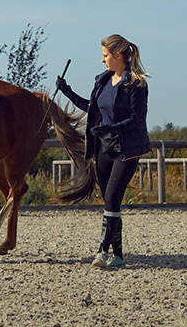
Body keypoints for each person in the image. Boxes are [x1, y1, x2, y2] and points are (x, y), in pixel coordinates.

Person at [56, 34, 151, 268]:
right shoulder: (103, 81)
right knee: (111, 202)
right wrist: (67, 91)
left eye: (105, 55)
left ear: (117, 56)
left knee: (111, 198)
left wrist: (111, 128)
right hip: (103, 148)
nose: (102, 60)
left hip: (126, 150)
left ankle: (101, 252)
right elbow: (92, 108)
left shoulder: (137, 84)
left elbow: (136, 119)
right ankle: (118, 256)